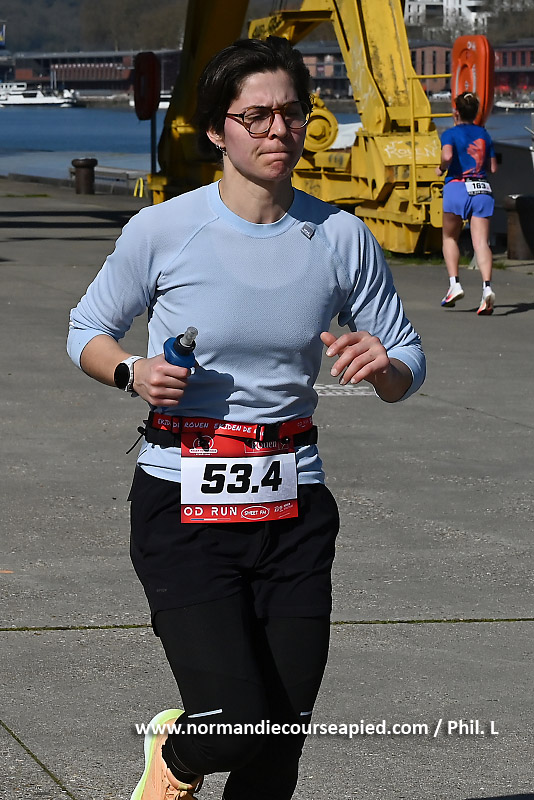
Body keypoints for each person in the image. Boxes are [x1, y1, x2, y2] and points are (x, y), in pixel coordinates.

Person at [67, 36, 425, 800]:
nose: (277, 130)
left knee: (279, 743)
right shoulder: (164, 230)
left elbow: (405, 361)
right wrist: (132, 371)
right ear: (216, 129)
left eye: (291, 113)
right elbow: (87, 330)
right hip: (183, 504)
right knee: (232, 723)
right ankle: (177, 753)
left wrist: (384, 365)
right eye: (255, 115)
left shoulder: (341, 237)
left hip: (293, 504)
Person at [436, 91, 498, 315]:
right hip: (482, 190)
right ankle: (487, 288)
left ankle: (455, 284)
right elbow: (492, 168)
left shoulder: (450, 133)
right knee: (481, 243)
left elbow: (447, 156)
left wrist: (441, 168)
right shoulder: (484, 134)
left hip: (457, 187)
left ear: (456, 112)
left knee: (449, 237)